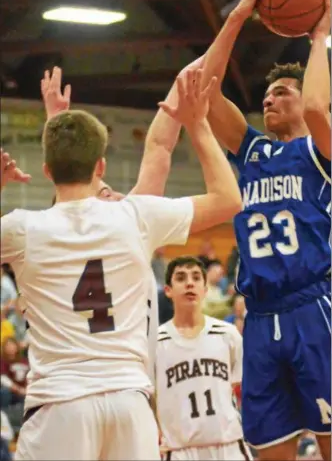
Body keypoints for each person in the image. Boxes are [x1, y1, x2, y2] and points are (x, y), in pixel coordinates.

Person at [0, 67, 242, 460]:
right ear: (101, 168)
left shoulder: (23, 229)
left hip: (60, 404)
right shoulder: (135, 216)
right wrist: (198, 125)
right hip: (128, 404)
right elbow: (229, 199)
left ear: (46, 171)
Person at [190, 0, 331, 460]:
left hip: (313, 308)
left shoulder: (320, 152)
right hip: (259, 317)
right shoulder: (251, 152)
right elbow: (205, 94)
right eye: (267, 96)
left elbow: (316, 105)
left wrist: (318, 37)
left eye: (282, 93)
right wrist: (237, 16)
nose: (270, 99)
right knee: (269, 450)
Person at [156, 256, 250, 461]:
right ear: (168, 290)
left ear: (205, 289)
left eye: (196, 278)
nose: (190, 283)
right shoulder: (154, 341)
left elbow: (242, 388)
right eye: (181, 278)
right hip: (179, 449)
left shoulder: (228, 334)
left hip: (229, 446)